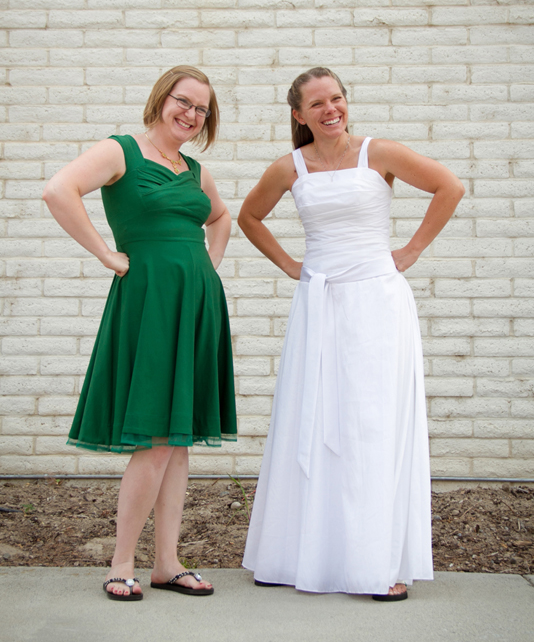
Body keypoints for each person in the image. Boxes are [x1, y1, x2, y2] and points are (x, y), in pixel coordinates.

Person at [239, 67, 464, 600]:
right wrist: (291, 265)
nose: (329, 109)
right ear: (299, 115)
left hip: (376, 304)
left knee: (370, 422)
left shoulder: (378, 153)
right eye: (316, 104)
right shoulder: (289, 167)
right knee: (312, 420)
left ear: (346, 102)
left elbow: (448, 186)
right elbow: (249, 217)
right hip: (319, 304)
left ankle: (374, 561)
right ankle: (298, 556)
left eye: (336, 98)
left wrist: (409, 252)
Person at [43, 66, 236, 601]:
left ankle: (167, 563)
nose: (191, 114)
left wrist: (207, 268)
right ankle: (121, 562)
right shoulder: (121, 151)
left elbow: (221, 220)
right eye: (184, 101)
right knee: (155, 439)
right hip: (149, 304)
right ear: (161, 99)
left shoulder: (195, 171)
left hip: (195, 305)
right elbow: (59, 190)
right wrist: (107, 254)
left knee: (178, 443)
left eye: (202, 109)